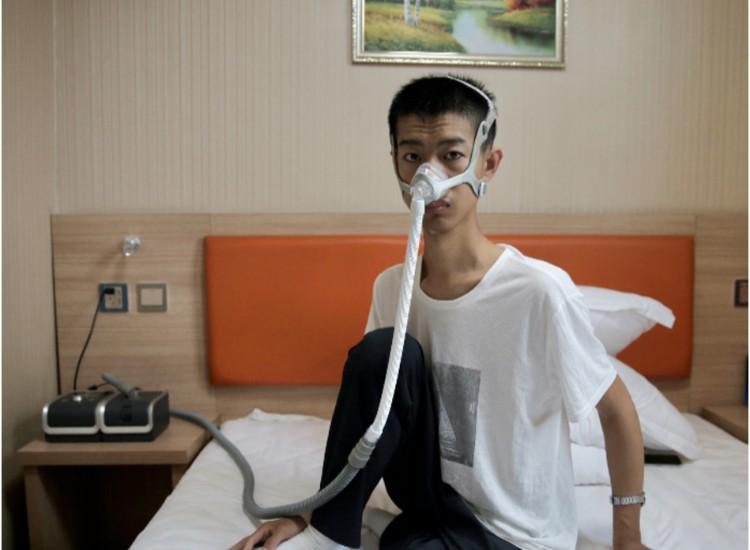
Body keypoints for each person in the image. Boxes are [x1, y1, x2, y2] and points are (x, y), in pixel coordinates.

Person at [231, 75, 648, 550]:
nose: (430, 176)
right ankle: (332, 538)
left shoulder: (539, 292)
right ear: (395, 164)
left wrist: (628, 539)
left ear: (488, 163)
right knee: (380, 353)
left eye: (451, 155)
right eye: (413, 157)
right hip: (429, 508)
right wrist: (309, 516)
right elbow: (374, 421)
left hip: (514, 534)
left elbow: (617, 411)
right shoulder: (392, 288)